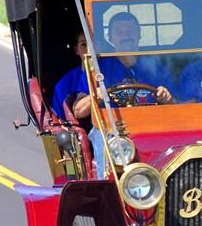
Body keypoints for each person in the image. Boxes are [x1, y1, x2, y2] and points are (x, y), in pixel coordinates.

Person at [70, 11, 176, 178]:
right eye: (120, 31)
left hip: (152, 126)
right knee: (101, 136)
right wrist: (96, 95)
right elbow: (78, 110)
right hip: (111, 129)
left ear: (139, 34)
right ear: (110, 38)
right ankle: (108, 186)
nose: (126, 35)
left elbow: (177, 107)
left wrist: (167, 99)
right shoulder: (98, 68)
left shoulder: (155, 67)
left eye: (131, 30)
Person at [51, 32, 90, 120]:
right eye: (84, 44)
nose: (90, 49)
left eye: (94, 43)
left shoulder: (115, 70)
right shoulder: (65, 84)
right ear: (77, 50)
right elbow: (60, 120)